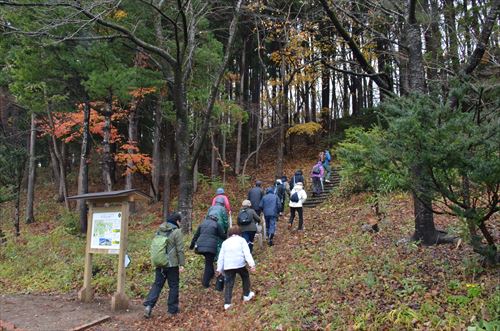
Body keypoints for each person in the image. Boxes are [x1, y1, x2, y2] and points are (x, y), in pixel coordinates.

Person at [144, 212, 185, 318]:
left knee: (157, 284)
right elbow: (180, 249)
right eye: (179, 221)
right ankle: (172, 310)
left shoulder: (160, 229)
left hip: (160, 262)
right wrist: (182, 264)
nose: (180, 223)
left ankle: (149, 305)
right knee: (173, 285)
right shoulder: (176, 232)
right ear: (177, 221)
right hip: (171, 264)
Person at [216, 226, 256, 310]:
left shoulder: (225, 243)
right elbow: (247, 253)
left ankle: (227, 303)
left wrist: (219, 269)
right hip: (239, 264)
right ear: (239, 233)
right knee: (245, 277)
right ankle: (246, 294)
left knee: (229, 284)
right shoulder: (242, 240)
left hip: (228, 265)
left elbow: (221, 257)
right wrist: (251, 265)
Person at [190, 214, 227, 288]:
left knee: (209, 262)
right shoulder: (217, 224)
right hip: (210, 248)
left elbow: (196, 235)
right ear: (215, 219)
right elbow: (222, 236)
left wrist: (192, 245)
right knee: (208, 264)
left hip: (200, 246)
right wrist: (229, 236)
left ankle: (211, 275)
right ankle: (205, 283)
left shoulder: (202, 223)